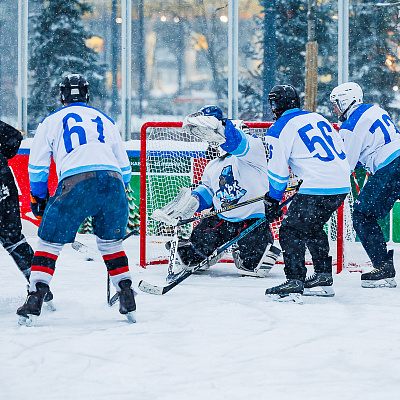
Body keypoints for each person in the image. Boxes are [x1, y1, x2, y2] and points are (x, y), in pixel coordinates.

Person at [16, 74, 136, 326]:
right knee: (111, 244)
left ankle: (36, 296)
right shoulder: (105, 119)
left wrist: (38, 197)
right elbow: (125, 170)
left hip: (76, 181)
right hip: (113, 181)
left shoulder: (50, 121)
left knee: (49, 244)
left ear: (61, 96)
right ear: (87, 95)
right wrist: (114, 192)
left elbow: (37, 167)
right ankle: (125, 292)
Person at [152, 105, 280, 281]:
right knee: (192, 260)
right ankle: (206, 251)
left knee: (254, 269)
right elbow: (208, 190)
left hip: (253, 219)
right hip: (222, 218)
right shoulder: (213, 165)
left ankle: (247, 251)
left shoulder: (253, 151)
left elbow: (236, 141)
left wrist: (220, 126)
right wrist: (192, 202)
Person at [263, 84, 350, 302]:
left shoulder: (278, 128)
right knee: (311, 225)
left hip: (318, 185)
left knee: (290, 230)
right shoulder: (317, 117)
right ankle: (322, 276)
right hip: (341, 183)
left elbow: (278, 174)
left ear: (276, 105)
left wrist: (273, 200)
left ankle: (294, 281)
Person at [330, 82, 400, 288]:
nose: (334, 109)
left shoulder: (350, 126)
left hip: (390, 167)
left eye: (336, 104)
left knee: (362, 215)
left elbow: (347, 166)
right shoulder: (375, 109)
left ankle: (383, 267)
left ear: (346, 101)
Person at [0, 120, 56, 305]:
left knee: (13, 239)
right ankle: (40, 287)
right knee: (13, 239)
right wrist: (3, 156)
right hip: (3, 183)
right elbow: (15, 136)